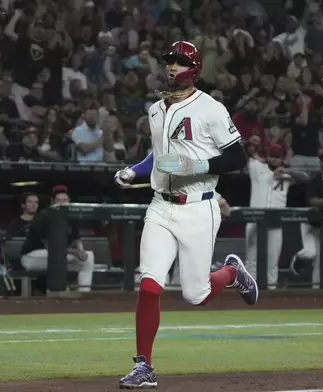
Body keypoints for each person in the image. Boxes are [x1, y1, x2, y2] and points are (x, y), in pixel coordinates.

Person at [113, 40, 256, 389]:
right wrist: (135, 170)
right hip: (161, 207)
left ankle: (231, 272)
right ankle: (143, 366)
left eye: (179, 62)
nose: (172, 67)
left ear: (193, 69)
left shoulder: (211, 108)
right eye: (169, 61)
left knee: (196, 295)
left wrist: (200, 165)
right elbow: (160, 155)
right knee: (149, 285)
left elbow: (238, 157)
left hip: (197, 207)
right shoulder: (156, 110)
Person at [246, 144, 308, 289]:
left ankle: (271, 291)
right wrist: (255, 150)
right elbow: (246, 154)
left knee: (272, 261)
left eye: (277, 157)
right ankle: (249, 289)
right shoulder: (257, 168)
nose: (274, 160)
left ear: (282, 158)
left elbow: (306, 178)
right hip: (255, 219)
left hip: (275, 222)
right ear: (267, 156)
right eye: (272, 156)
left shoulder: (286, 175)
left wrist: (286, 169)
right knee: (251, 260)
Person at [20, 185, 95, 292]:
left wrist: (81, 250)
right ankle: (56, 292)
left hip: (58, 255)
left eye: (64, 200)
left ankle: (84, 293)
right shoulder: (44, 216)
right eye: (58, 200)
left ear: (69, 201)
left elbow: (76, 239)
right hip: (32, 256)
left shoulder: (71, 216)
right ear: (53, 202)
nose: (62, 203)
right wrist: (75, 252)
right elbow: (51, 247)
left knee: (89, 257)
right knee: (58, 257)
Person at [290, 148, 323, 289]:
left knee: (321, 259)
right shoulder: (313, 179)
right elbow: (312, 201)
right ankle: (297, 258)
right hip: (310, 222)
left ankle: (316, 288)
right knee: (311, 253)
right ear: (320, 162)